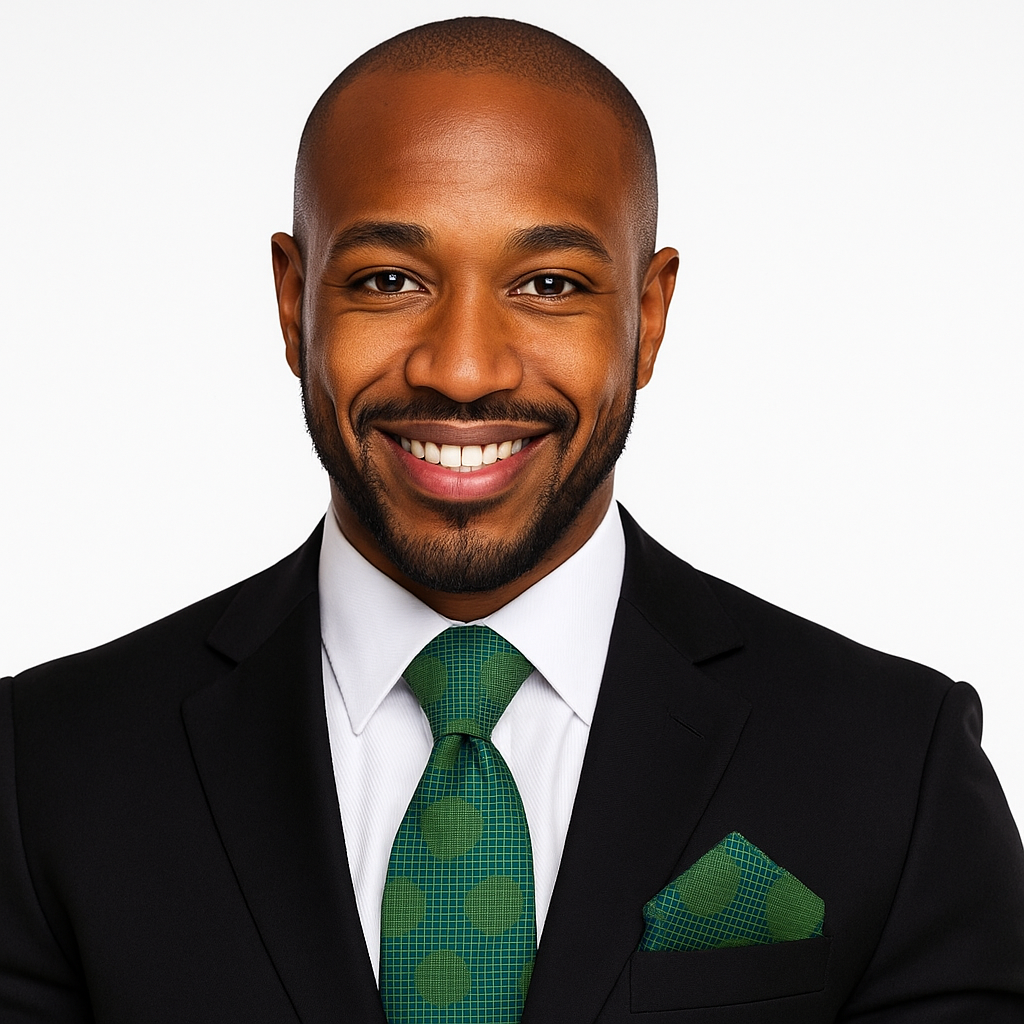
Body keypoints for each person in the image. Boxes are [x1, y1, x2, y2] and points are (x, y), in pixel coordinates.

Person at [1, 16, 1022, 1023]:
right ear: (293, 302)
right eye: (388, 280)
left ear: (648, 315)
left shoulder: (892, 764)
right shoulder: (47, 771)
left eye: (548, 284)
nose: (462, 368)